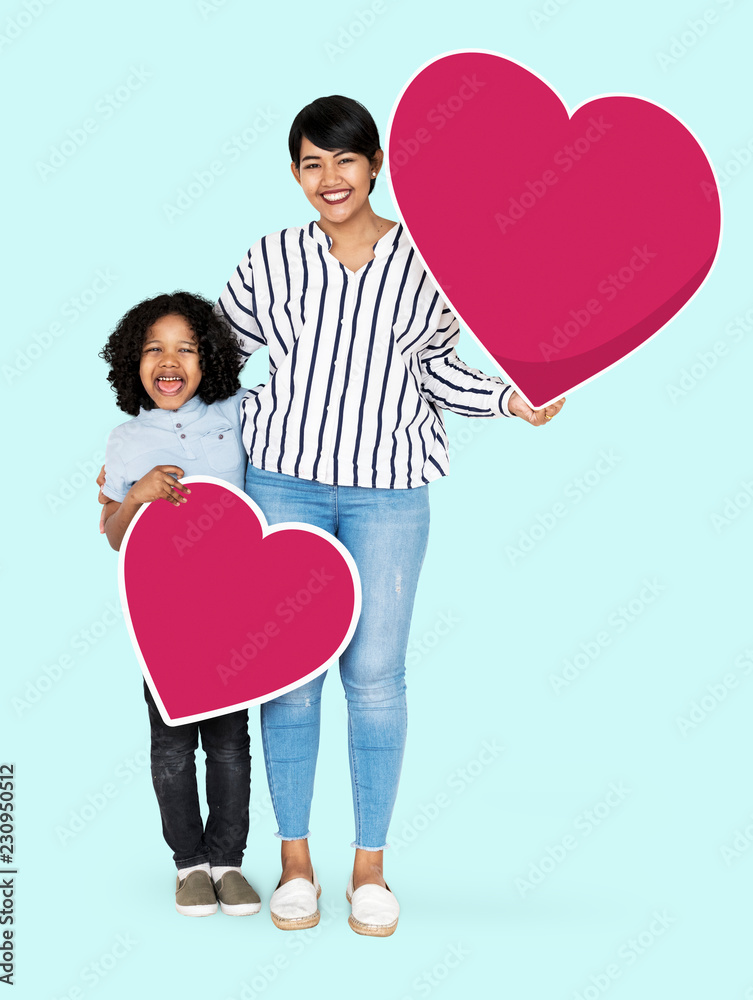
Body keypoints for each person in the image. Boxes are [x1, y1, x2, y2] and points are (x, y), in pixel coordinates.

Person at [213, 95, 565, 937]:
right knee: (289, 678)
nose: (328, 180)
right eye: (310, 164)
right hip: (283, 484)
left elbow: (439, 370)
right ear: (295, 174)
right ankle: (294, 862)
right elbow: (219, 358)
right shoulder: (270, 260)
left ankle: (368, 870)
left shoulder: (429, 260)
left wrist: (509, 398)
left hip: (389, 492)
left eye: (343, 161)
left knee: (375, 677)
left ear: (374, 165)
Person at [99, 291, 261, 918]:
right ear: (132, 363)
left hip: (236, 612)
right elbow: (113, 535)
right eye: (154, 350)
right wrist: (134, 496)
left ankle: (229, 861)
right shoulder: (124, 439)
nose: (170, 362)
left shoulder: (237, 413)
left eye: (186, 349)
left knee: (229, 741)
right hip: (163, 617)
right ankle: (189, 865)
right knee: (170, 743)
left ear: (209, 357)